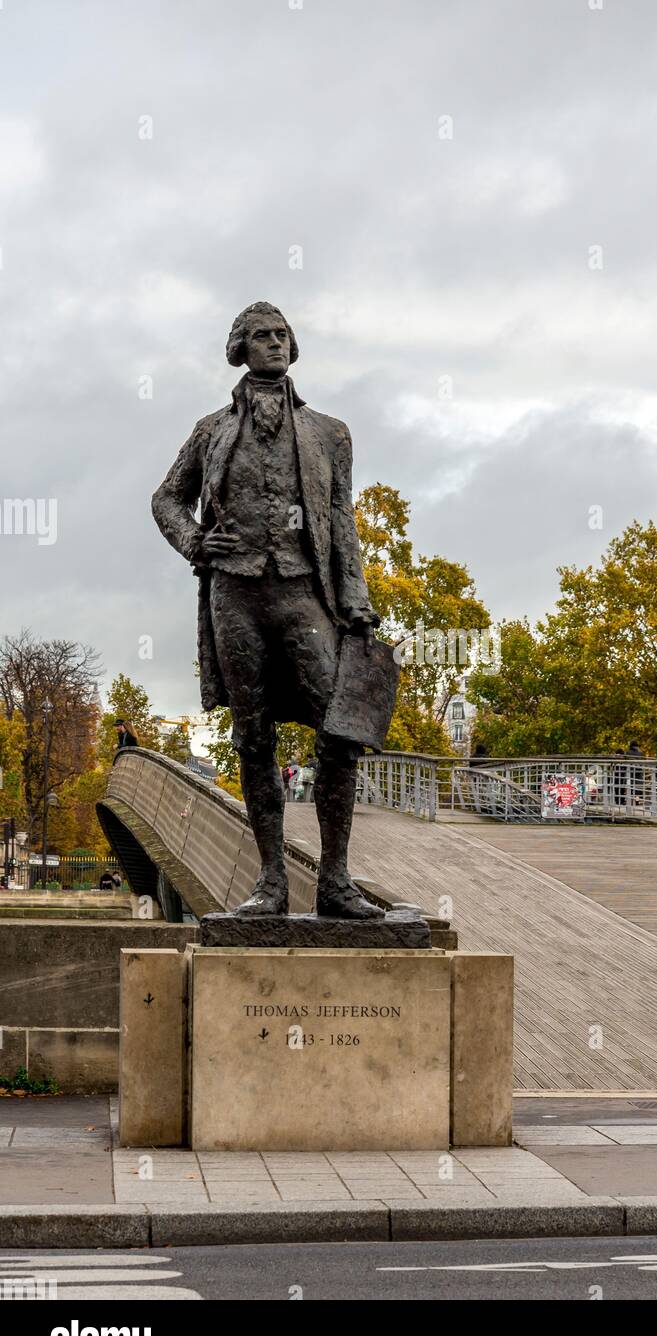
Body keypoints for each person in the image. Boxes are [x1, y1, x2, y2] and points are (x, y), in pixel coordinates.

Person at [152, 302, 385, 918]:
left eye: (282, 335)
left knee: (340, 733)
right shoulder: (211, 430)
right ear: (240, 348)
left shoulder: (329, 433)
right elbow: (166, 499)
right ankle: (271, 883)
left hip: (302, 591)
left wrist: (356, 598)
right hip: (235, 596)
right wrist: (195, 542)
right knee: (253, 739)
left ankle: (334, 881)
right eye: (262, 336)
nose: (275, 344)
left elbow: (342, 520)